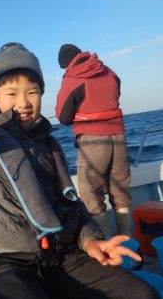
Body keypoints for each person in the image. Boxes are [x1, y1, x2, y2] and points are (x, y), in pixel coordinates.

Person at [0, 43, 158, 299]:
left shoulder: (49, 143)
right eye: (11, 93)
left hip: (59, 256)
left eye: (32, 92)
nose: (23, 102)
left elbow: (72, 205)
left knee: (142, 294)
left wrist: (90, 240)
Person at [55, 44, 132, 236]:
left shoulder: (72, 78)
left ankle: (103, 243)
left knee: (91, 194)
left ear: (66, 64)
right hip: (118, 138)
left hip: (92, 142)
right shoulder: (108, 71)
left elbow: (63, 117)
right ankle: (126, 238)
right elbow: (116, 92)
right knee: (120, 189)